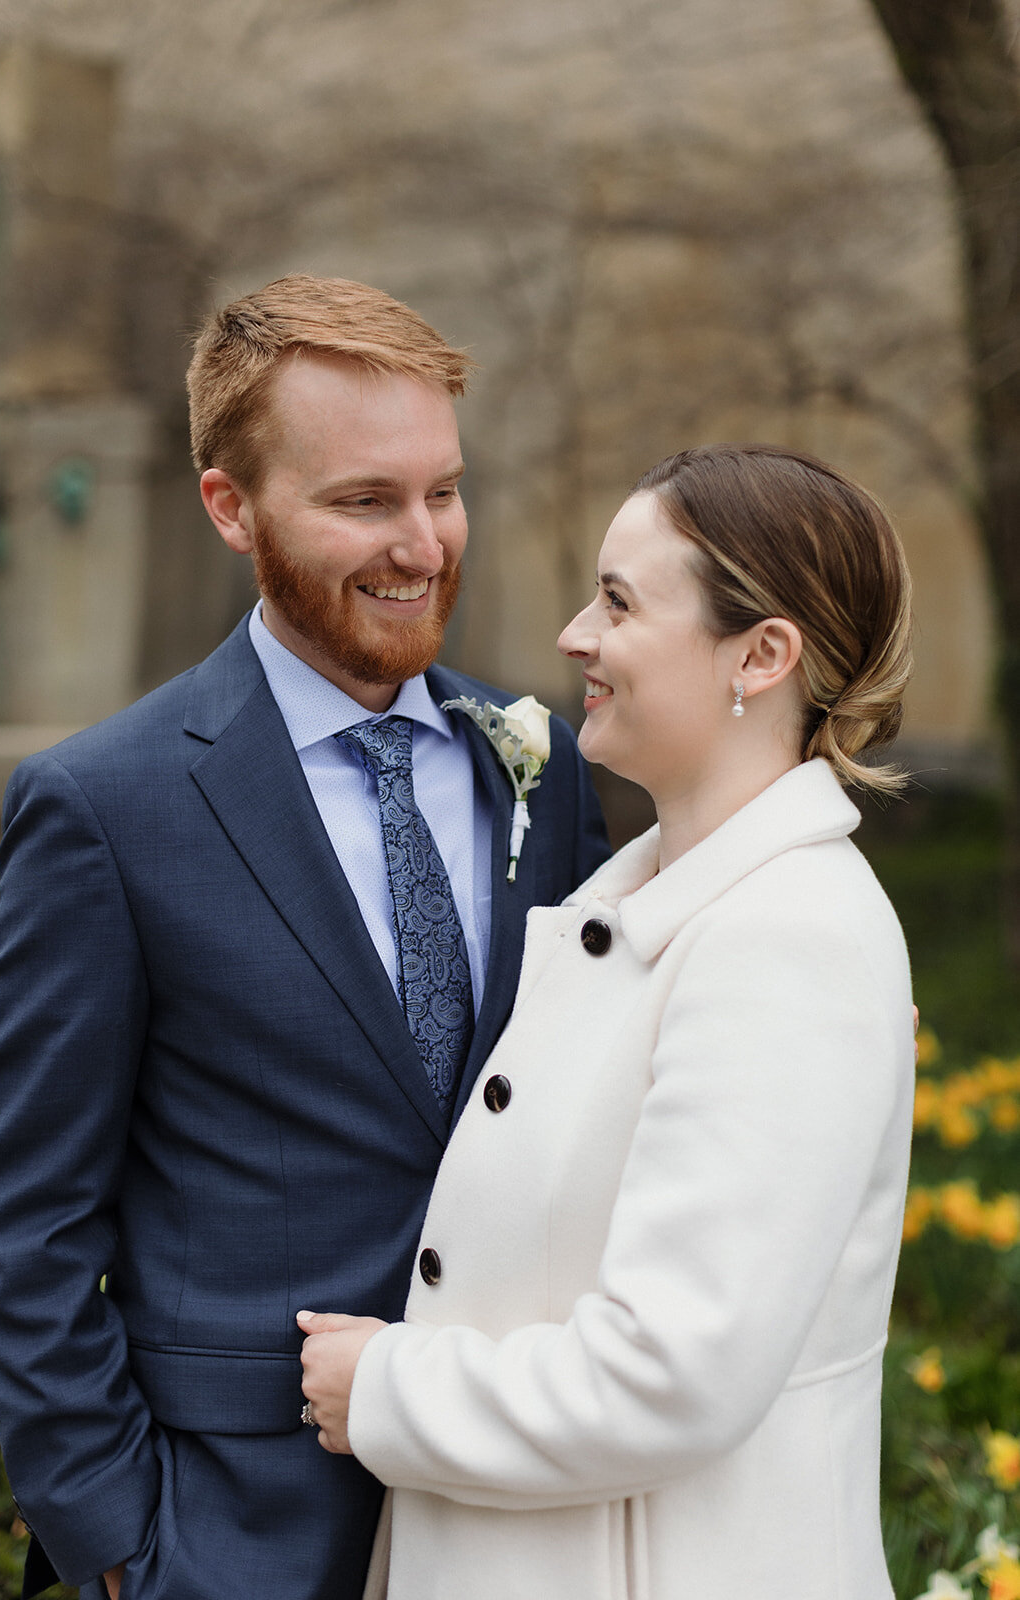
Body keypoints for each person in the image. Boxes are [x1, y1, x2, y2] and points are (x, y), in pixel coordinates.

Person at [0, 274, 609, 1600]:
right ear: (230, 507)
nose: (421, 544)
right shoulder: (105, 806)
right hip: (229, 1534)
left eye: (440, 490)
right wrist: (124, 1548)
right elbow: (21, 1225)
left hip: (509, 1513)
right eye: (363, 501)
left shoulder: (543, 765)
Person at [299, 443, 916, 1600]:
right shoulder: (638, 900)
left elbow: (673, 1373)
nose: (573, 636)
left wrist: (385, 1390)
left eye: (619, 603)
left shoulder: (788, 937)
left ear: (762, 654)